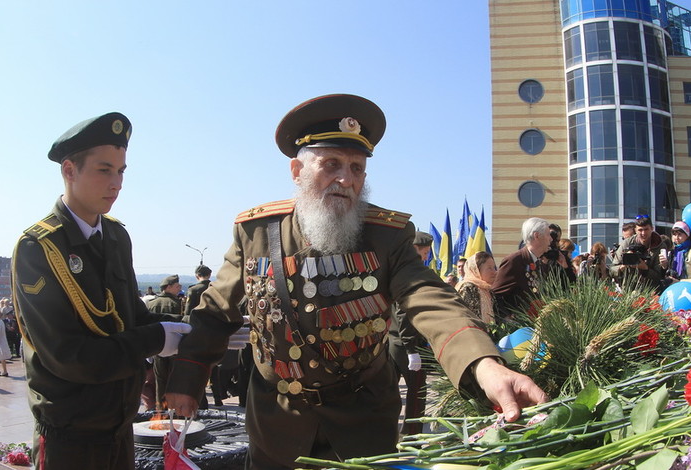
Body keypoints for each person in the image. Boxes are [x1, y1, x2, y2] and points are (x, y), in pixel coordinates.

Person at [166, 94, 546, 469]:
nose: (346, 179)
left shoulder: (386, 234)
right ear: (297, 171)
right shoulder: (256, 232)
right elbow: (216, 310)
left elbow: (428, 296)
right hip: (275, 422)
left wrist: (484, 364)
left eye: (357, 167)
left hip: (363, 421)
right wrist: (186, 379)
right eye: (331, 164)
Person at [11, 112, 192, 469]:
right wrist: (155, 339)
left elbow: (131, 315)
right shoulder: (39, 247)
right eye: (104, 170)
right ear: (69, 170)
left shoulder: (115, 235)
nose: (116, 183)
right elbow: (68, 355)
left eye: (121, 171)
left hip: (119, 425)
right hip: (71, 434)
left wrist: (193, 326)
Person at [388, 231, 433, 436]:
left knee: (390, 394)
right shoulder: (408, 273)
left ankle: (387, 432)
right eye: (423, 253)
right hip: (406, 344)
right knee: (417, 394)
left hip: (395, 342)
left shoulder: (397, 269)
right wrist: (411, 349)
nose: (425, 258)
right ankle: (411, 436)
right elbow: (403, 312)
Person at [492, 217, 555, 318]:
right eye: (548, 235)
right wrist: (509, 319)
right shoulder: (514, 261)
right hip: (519, 329)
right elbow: (496, 295)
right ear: (537, 235)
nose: (551, 239)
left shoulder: (540, 263)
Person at [146, 275, 184, 410]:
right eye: (177, 286)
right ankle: (177, 411)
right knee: (176, 381)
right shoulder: (177, 304)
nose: (180, 288)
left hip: (157, 348)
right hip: (175, 349)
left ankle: (160, 411)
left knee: (160, 381)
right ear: (168, 287)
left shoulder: (150, 304)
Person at [610, 216, 665, 292]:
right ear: (635, 230)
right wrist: (623, 266)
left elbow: (659, 276)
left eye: (646, 229)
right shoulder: (626, 243)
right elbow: (612, 269)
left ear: (652, 229)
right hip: (628, 289)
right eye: (640, 230)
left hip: (651, 291)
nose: (643, 233)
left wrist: (645, 268)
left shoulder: (659, 245)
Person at [660, 221, 691, 287]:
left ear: (687, 235)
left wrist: (679, 282)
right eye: (674, 234)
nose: (677, 238)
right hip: (673, 292)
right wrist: (664, 266)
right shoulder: (672, 252)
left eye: (679, 234)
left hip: (689, 292)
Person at [457, 251, 499, 325]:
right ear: (476, 270)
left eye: (494, 268)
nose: (494, 272)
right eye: (489, 268)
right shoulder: (467, 288)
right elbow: (464, 318)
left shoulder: (488, 290)